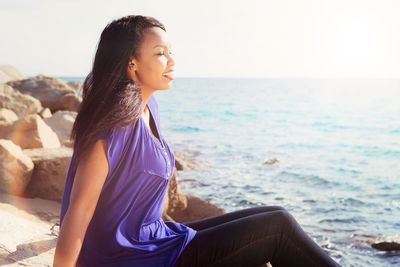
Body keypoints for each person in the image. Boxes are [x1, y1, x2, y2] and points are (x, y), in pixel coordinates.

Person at [53, 15, 341, 267]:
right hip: (130, 257)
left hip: (155, 239)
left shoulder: (148, 107)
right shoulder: (113, 125)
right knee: (277, 228)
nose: (172, 60)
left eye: (170, 51)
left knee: (276, 213)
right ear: (132, 63)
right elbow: (80, 209)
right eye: (159, 53)